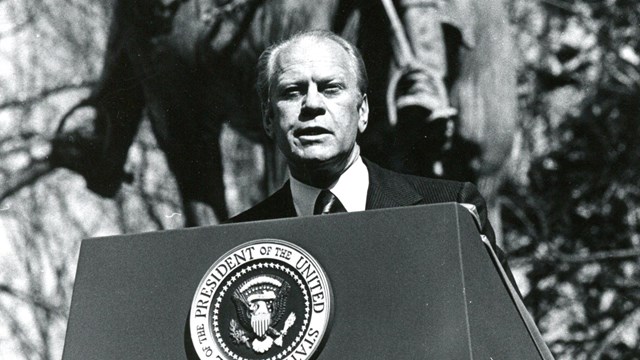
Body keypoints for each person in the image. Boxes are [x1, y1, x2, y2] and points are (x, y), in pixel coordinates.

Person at [227, 30, 510, 274]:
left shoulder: (453, 208)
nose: (312, 104)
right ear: (268, 118)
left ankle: (422, 73)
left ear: (363, 111)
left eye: (331, 88)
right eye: (292, 92)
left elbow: (503, 329)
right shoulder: (237, 238)